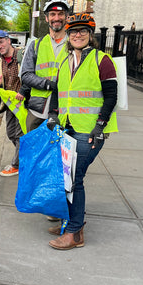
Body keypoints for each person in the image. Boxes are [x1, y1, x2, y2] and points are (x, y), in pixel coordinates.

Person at [46, 13, 118, 250]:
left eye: (83, 31)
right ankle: (70, 223)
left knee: (75, 180)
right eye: (73, 31)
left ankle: (75, 233)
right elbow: (58, 91)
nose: (78, 35)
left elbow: (111, 96)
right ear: (68, 35)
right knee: (66, 178)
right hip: (68, 128)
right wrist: (54, 114)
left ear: (90, 35)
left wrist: (100, 125)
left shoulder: (102, 60)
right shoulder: (66, 61)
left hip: (90, 131)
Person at [20, 0, 70, 132]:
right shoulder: (36, 45)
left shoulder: (74, 44)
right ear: (47, 18)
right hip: (37, 110)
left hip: (64, 110)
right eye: (52, 14)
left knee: (59, 152)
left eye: (61, 14)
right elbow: (25, 75)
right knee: (32, 150)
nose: (57, 18)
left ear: (67, 17)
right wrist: (48, 84)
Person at [0, 30, 29, 177]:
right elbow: (4, 85)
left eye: (1, 42)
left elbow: (31, 75)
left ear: (9, 41)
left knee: (20, 135)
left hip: (24, 104)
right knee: (11, 134)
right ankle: (24, 157)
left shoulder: (22, 56)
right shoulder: (0, 62)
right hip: (10, 105)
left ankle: (16, 165)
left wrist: (24, 92)